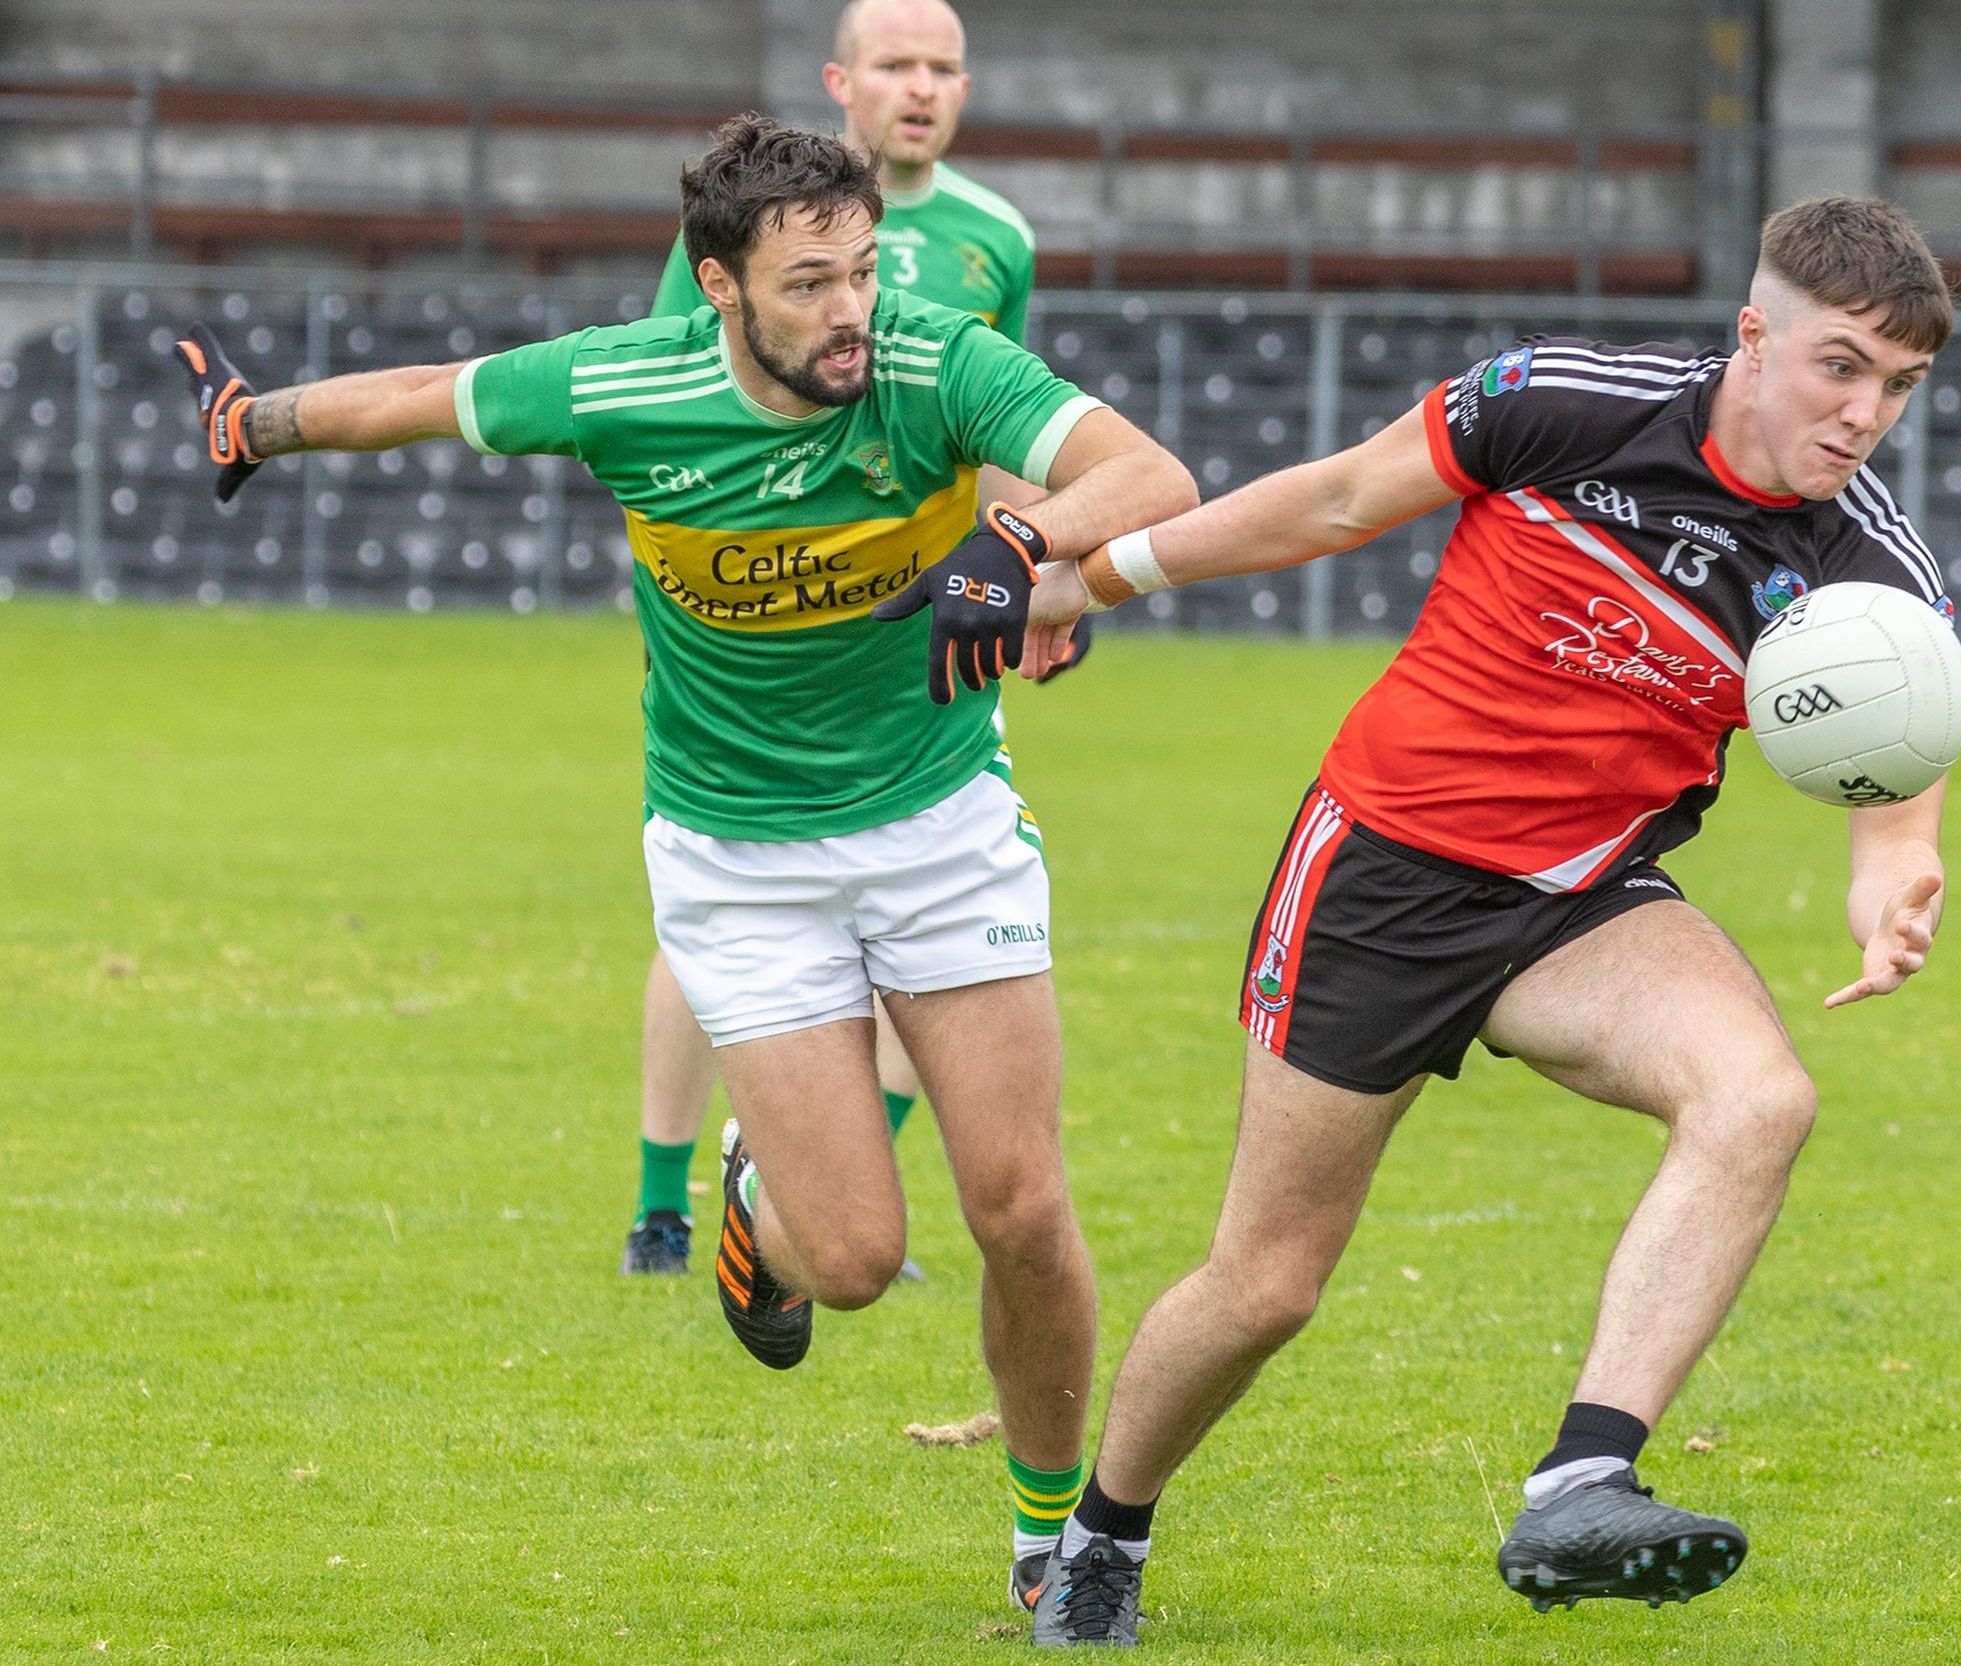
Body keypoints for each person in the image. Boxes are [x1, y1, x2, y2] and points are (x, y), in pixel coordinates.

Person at [173, 115, 1197, 1614]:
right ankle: (752, 1205)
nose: (847, 310)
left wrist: (1017, 544)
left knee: (1022, 1207)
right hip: (737, 859)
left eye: (860, 272)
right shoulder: (621, 382)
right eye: (807, 285)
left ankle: (1067, 1543)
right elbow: (424, 401)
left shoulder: (924, 358)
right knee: (850, 1259)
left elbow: (1148, 470)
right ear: (717, 285)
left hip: (938, 823)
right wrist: (254, 425)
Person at [1013, 196, 1960, 1645]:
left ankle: (1583, 1478)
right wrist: (1098, 575)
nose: (1865, 413)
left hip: (1583, 896)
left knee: (1760, 1098)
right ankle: (1101, 1531)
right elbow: (1335, 501)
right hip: (1384, 872)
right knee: (1268, 1282)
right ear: (1755, 335)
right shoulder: (1563, 403)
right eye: (1843, 366)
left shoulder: (1861, 554)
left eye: (1898, 385)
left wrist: (1890, 879)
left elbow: (1902, 752)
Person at [626, 0, 1083, 1285]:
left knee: (913, 906)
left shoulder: (998, 237)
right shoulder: (747, 230)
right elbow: (677, 384)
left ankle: (808, 1184)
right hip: (759, 612)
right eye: (896, 64)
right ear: (843, 81)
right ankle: (668, 1201)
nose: (922, 87)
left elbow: (1005, 431)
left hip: (924, 624)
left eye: (944, 66)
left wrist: (1046, 575)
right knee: (724, 904)